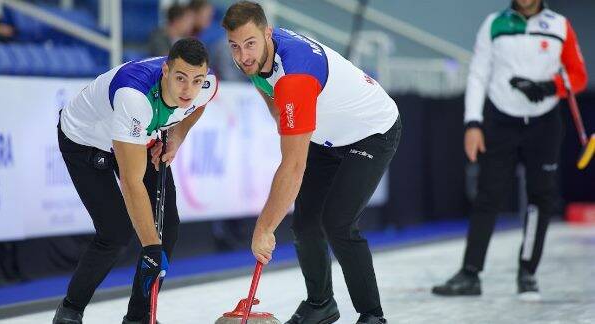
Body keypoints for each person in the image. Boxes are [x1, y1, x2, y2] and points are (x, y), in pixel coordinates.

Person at [221, 2, 401, 324]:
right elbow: (266, 85)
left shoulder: (296, 76)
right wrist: (282, 115)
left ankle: (372, 315)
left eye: (250, 44)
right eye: (235, 46)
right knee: (305, 224)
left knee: (338, 222)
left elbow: (292, 167)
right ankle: (321, 304)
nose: (243, 55)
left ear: (267, 33)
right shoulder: (254, 59)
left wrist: (263, 229)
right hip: (326, 134)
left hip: (372, 131)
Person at [52, 38, 218, 324]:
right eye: (180, 78)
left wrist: (175, 137)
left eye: (196, 80)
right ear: (165, 71)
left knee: (168, 227)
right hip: (85, 138)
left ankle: (139, 318)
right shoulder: (134, 96)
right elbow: (131, 181)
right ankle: (70, 309)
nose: (188, 89)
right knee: (115, 232)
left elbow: (199, 105)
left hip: (136, 135)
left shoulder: (205, 85)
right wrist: (151, 248)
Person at [432, 0, 587, 300]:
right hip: (500, 120)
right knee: (488, 195)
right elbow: (478, 75)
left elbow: (577, 76)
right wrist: (472, 123)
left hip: (544, 123)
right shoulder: (494, 23)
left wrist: (548, 86)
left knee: (541, 197)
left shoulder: (559, 25)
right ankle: (470, 274)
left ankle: (527, 272)